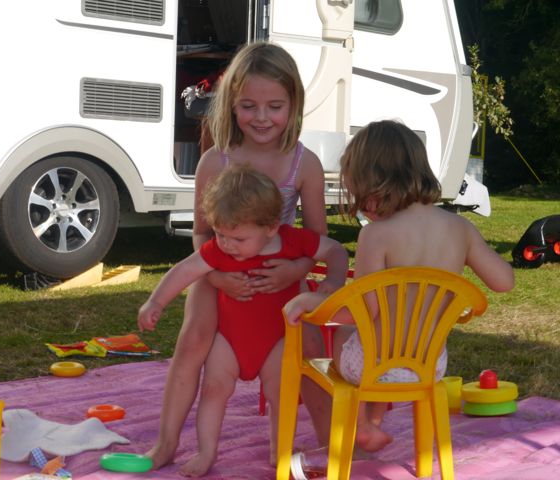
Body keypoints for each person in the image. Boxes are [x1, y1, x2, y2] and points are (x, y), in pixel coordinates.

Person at [145, 42, 333, 469]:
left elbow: (317, 240)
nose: (261, 117)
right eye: (249, 106)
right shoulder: (216, 162)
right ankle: (166, 443)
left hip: (281, 273)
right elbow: (200, 234)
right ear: (232, 104)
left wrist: (294, 271)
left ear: (294, 105)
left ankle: (331, 442)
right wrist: (215, 277)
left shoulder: (304, 165)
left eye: (274, 106)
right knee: (193, 341)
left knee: (311, 348)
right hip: (220, 270)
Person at [284, 119, 515, 455]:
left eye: (360, 195)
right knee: (379, 341)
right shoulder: (460, 228)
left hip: (372, 367)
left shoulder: (376, 235)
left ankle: (362, 423)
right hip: (430, 366)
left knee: (350, 336)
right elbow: (504, 283)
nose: (363, 207)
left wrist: (310, 301)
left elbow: (362, 311)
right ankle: (373, 423)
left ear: (376, 183)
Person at [138, 164, 349, 477]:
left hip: (278, 340)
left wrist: (333, 282)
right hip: (229, 340)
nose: (227, 244)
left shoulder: (293, 242)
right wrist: (155, 301)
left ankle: (280, 451)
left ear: (271, 227)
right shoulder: (219, 250)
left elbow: (336, 251)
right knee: (213, 389)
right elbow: (184, 271)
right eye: (220, 234)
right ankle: (206, 452)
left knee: (282, 394)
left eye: (237, 238)